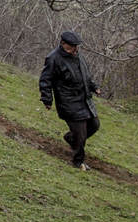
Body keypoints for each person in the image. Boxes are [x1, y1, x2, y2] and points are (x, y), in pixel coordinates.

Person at [38, 31, 102, 169]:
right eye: (73, 46)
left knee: (94, 124)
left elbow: (85, 75)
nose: (76, 49)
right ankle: (78, 161)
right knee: (80, 133)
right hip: (68, 102)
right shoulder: (53, 58)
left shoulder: (78, 56)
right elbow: (45, 80)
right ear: (64, 44)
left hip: (84, 99)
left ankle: (70, 139)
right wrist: (47, 99)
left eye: (77, 46)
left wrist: (93, 87)